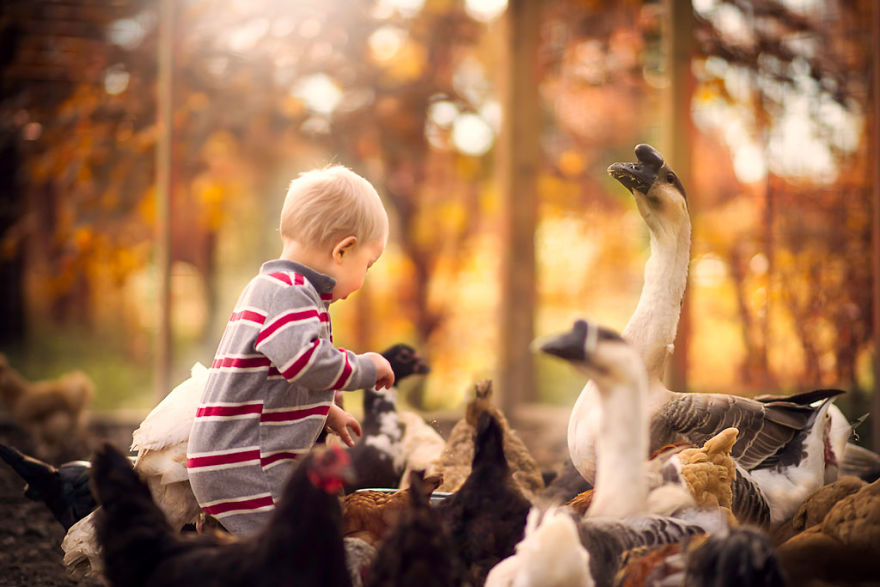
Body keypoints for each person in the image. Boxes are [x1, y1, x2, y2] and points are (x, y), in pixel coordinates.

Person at [187, 165, 395, 535]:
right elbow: (307, 364)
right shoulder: (293, 292)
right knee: (282, 550)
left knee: (257, 550)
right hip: (250, 465)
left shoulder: (276, 287)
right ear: (343, 250)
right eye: (368, 263)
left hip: (235, 458)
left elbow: (274, 380)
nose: (365, 277)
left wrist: (328, 412)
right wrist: (366, 366)